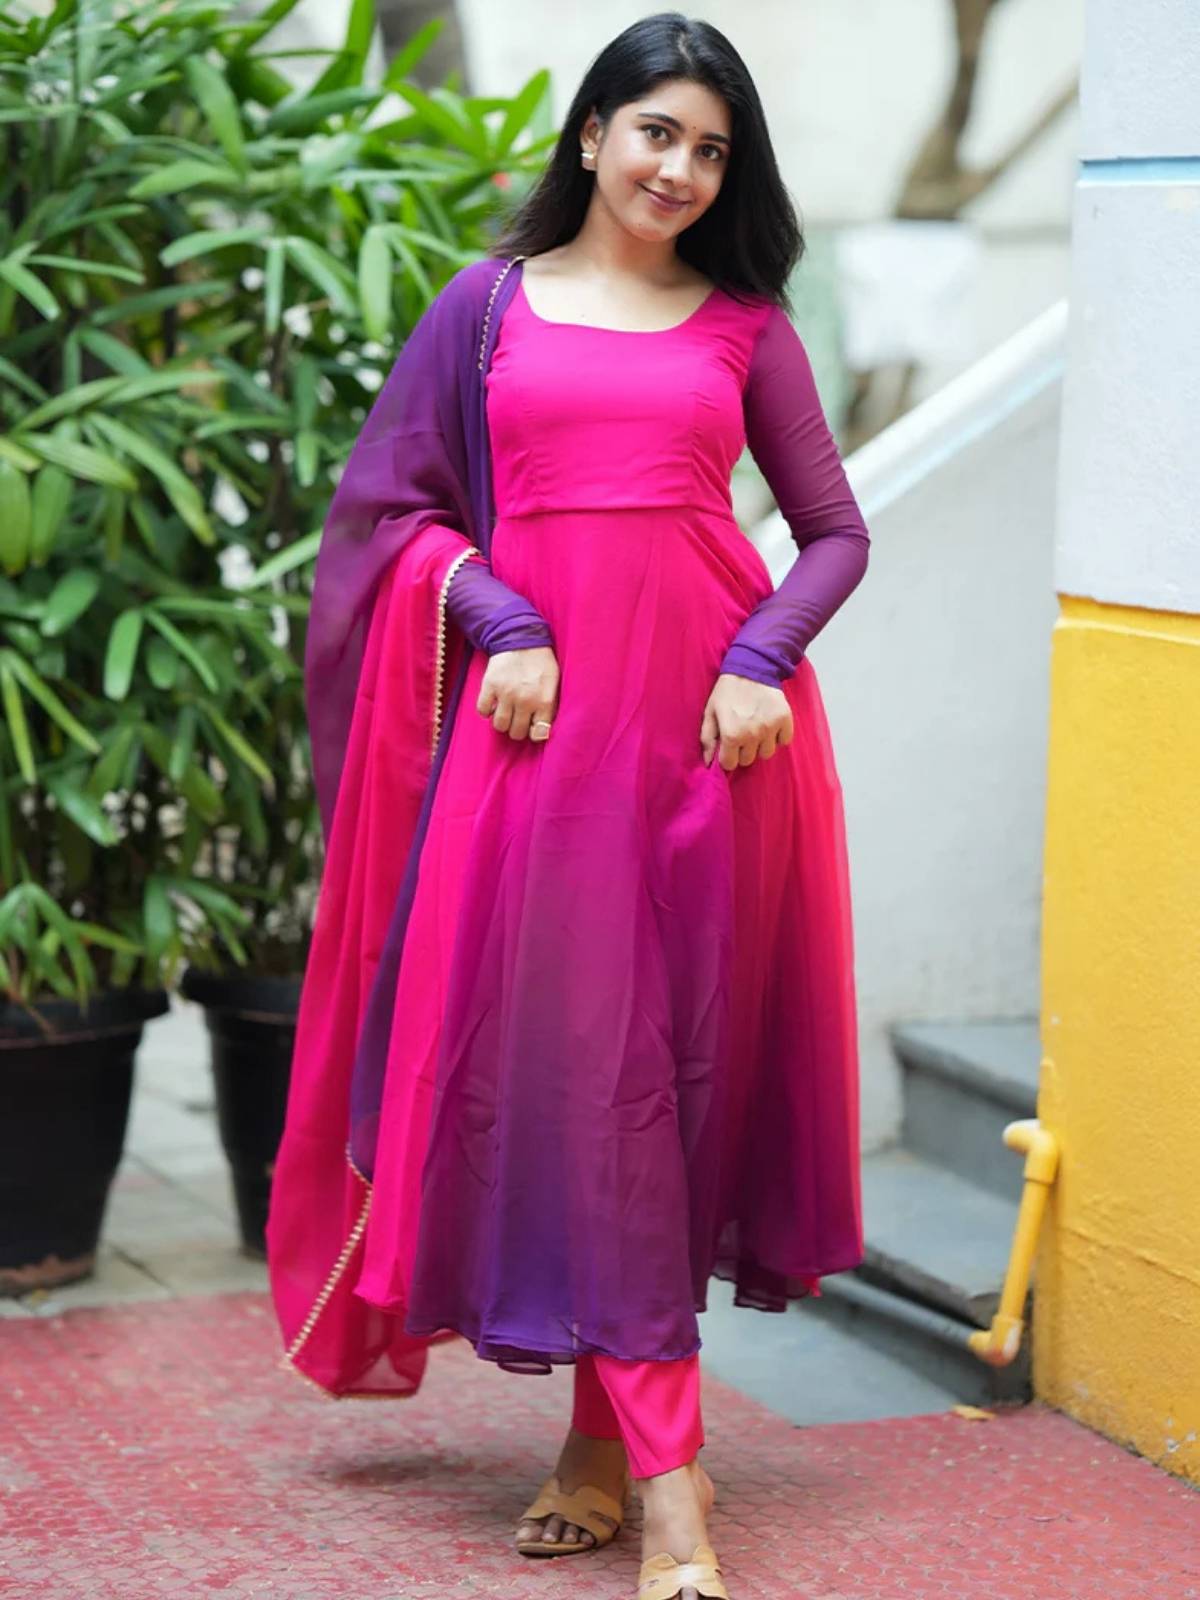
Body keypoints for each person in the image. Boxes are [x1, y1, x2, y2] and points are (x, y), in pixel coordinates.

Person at [266, 13, 869, 1599]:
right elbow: (386, 517)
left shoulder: (743, 326)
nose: (680, 169)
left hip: (706, 749)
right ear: (594, 132)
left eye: (712, 150)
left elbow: (832, 533)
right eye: (657, 131)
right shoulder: (483, 312)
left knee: (658, 1082)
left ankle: (632, 1466)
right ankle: (650, 1473)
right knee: (572, 1079)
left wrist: (760, 659)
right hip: (536, 751)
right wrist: (496, 612)